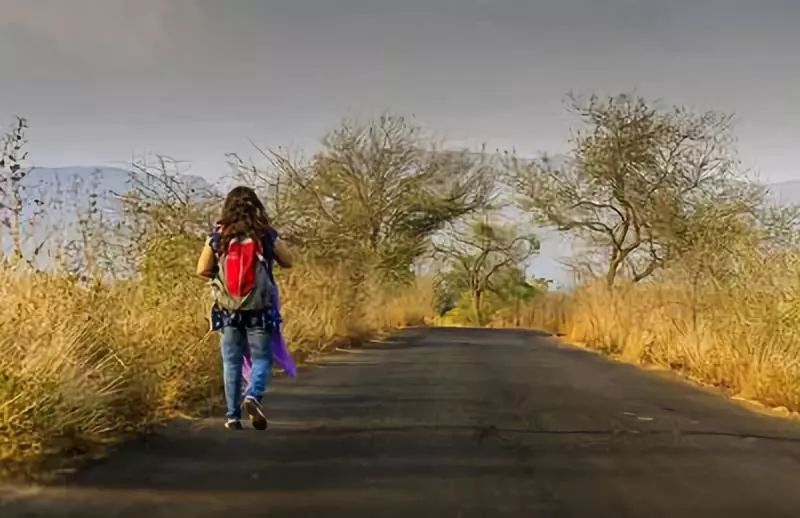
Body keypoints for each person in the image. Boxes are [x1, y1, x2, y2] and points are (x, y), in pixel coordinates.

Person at [196, 186, 293, 430]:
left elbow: (202, 269)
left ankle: (231, 416)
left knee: (231, 361)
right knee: (262, 357)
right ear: (255, 206)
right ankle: (252, 396)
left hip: (228, 308)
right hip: (259, 308)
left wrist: (220, 278)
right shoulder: (265, 234)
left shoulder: (219, 234)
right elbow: (288, 261)